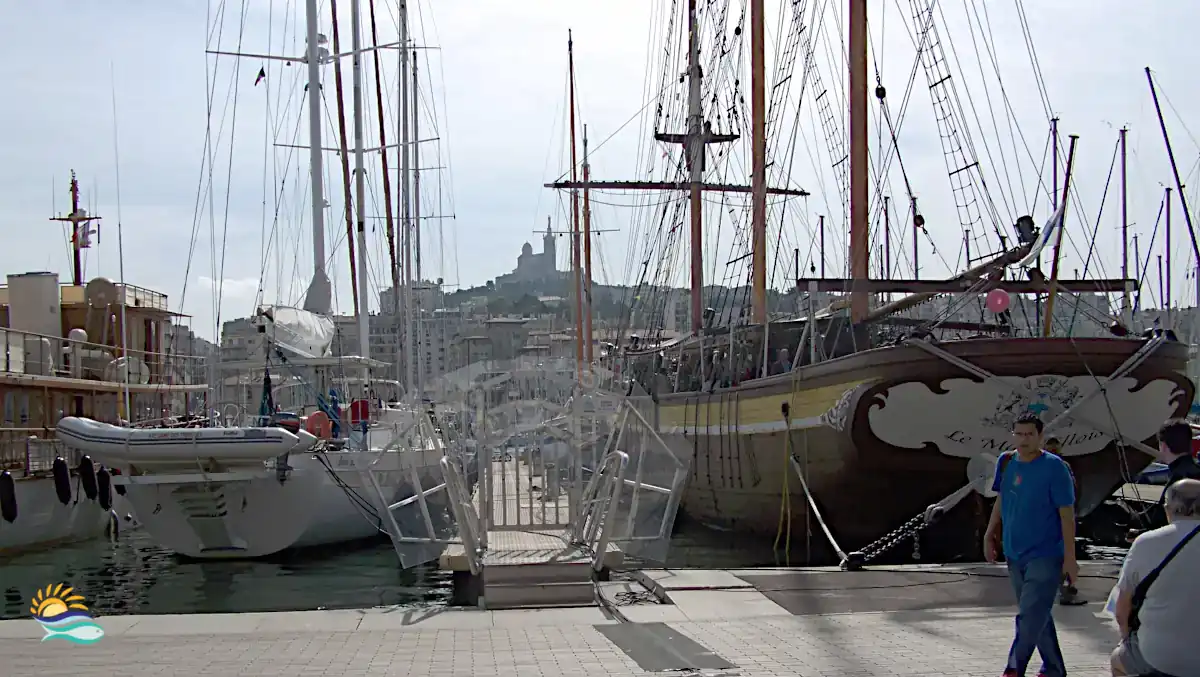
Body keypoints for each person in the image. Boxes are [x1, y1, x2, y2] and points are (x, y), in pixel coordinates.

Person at [984, 413, 1078, 677]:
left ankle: (1014, 668)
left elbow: (1066, 515)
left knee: (1028, 615)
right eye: (1019, 434)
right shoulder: (1006, 462)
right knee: (1037, 614)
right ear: (1012, 435)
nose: (1024, 439)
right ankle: (1054, 669)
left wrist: (1070, 559)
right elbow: (1002, 499)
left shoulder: (1055, 468)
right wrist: (990, 533)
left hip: (1046, 554)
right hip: (1014, 552)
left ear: (1040, 437)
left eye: (1029, 434)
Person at [1109, 478, 1200, 677]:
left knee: (1118, 660)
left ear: (1169, 509)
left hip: (1158, 657)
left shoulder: (1146, 542)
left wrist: (1125, 638)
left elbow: (1121, 609)